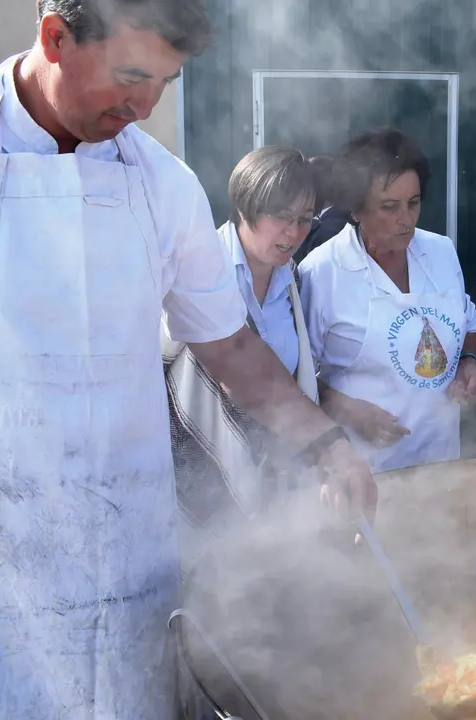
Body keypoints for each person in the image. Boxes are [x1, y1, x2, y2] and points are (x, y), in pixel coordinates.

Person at [0, 1, 376, 717]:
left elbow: (229, 343)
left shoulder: (161, 183)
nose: (144, 106)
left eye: (165, 84)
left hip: (126, 563)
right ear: (55, 38)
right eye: (131, 76)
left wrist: (326, 444)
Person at [166, 146, 325, 574]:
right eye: (281, 216)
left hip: (272, 483)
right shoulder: (200, 269)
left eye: (305, 218)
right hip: (195, 478)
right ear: (245, 206)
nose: (294, 233)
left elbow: (295, 379)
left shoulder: (289, 279)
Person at [300, 128, 476, 474]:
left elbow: (468, 322)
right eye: (389, 207)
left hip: (441, 462)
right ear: (356, 209)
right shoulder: (323, 272)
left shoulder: (440, 252)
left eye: (413, 203)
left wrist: (469, 361)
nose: (406, 219)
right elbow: (295, 374)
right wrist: (345, 408)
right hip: (363, 470)